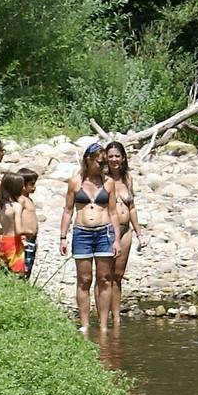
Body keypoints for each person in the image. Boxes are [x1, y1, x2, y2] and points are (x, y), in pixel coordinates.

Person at [58, 141, 120, 335]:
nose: (102, 166)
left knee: (105, 278)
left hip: (104, 232)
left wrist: (117, 239)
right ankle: (84, 324)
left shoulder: (108, 183)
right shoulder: (75, 182)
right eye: (99, 162)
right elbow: (68, 210)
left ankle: (102, 325)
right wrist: (62, 237)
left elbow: (113, 212)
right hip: (82, 233)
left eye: (104, 163)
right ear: (88, 160)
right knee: (84, 279)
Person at [105, 141, 140, 323]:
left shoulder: (127, 178)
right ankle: (104, 317)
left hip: (126, 231)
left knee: (118, 276)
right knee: (105, 275)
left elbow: (132, 207)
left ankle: (116, 318)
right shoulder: (101, 178)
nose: (114, 160)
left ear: (123, 158)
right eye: (110, 156)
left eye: (117, 156)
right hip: (108, 231)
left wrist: (139, 232)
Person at [0, 172, 28, 275]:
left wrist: (5, 230)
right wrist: (29, 232)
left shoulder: (1, 206)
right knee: (18, 274)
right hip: (14, 243)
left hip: (3, 242)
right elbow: (19, 230)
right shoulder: (16, 206)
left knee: (3, 273)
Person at [15, 167, 42, 276]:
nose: (34, 187)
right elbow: (16, 217)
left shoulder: (29, 199)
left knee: (29, 264)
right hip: (24, 238)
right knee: (22, 266)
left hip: (32, 239)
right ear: (22, 185)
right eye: (31, 184)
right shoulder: (20, 200)